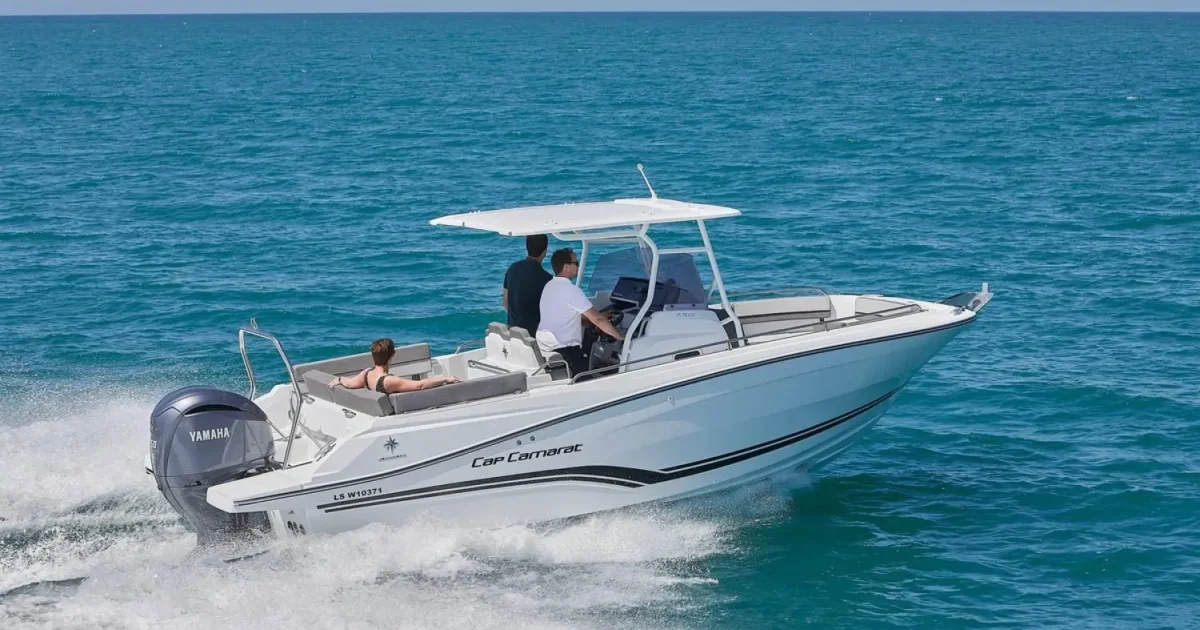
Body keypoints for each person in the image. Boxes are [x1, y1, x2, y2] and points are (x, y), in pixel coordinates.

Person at [536, 248, 623, 377]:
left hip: (545, 345)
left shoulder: (549, 286)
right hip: (564, 350)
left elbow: (564, 315)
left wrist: (586, 321)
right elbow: (598, 319)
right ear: (566, 266)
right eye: (576, 263)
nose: (578, 266)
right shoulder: (570, 290)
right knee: (586, 378)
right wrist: (619, 337)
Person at [331, 338, 459, 394]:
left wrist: (340, 379)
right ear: (392, 356)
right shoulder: (388, 381)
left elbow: (351, 383)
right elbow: (420, 386)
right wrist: (446, 379)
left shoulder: (367, 373)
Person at [502, 234, 552, 333]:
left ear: (527, 247)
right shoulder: (547, 279)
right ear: (545, 250)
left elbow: (506, 303)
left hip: (513, 331)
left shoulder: (512, 268)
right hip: (534, 334)